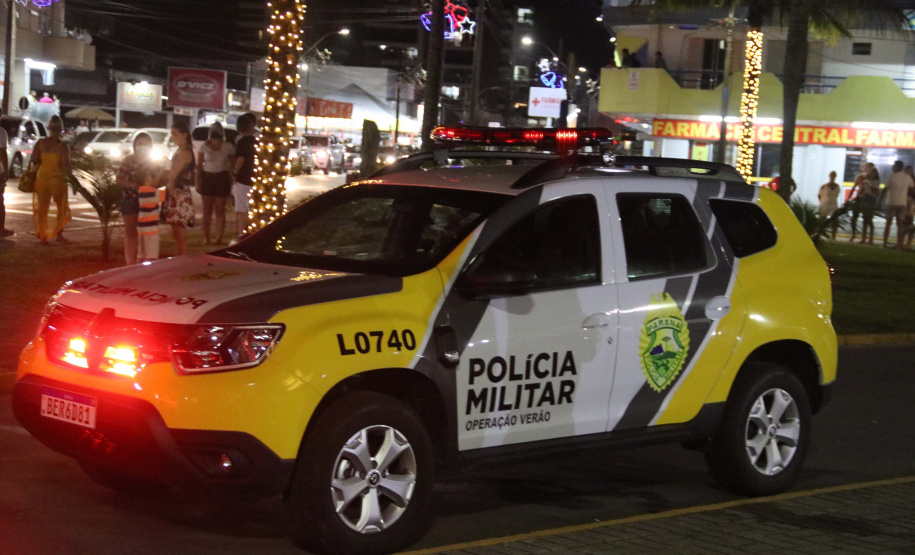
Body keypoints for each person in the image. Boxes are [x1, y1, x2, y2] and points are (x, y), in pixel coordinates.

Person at [30, 115, 75, 244]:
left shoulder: (41, 143)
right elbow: (67, 165)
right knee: (61, 207)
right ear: (61, 129)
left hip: (42, 178)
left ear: (49, 128)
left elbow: (33, 159)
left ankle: (43, 236)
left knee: (43, 208)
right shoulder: (62, 146)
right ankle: (59, 235)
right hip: (57, 179)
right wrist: (73, 182)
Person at [116, 132, 156, 264]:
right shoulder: (128, 160)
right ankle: (130, 263)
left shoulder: (154, 162)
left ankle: (145, 260)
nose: (142, 146)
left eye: (146, 144)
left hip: (148, 201)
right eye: (140, 143)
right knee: (130, 232)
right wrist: (133, 185)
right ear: (134, 145)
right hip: (130, 199)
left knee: (147, 233)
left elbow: (159, 181)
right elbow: (119, 180)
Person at [196, 121, 234, 245]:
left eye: (216, 131)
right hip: (207, 177)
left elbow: (232, 164)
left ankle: (218, 238)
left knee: (220, 210)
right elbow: (199, 165)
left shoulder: (227, 146)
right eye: (212, 131)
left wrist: (233, 177)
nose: (214, 133)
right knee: (207, 210)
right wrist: (198, 181)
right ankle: (206, 238)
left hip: (221, 178)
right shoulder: (204, 146)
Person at [163, 121, 196, 255]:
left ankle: (183, 259)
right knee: (176, 231)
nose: (173, 137)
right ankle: (180, 257)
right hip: (176, 193)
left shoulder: (185, 153)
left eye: (175, 134)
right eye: (171, 134)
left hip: (180, 194)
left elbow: (174, 172)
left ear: (184, 135)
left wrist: (165, 169)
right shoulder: (179, 151)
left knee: (179, 231)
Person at [233, 113, 258, 235]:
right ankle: (253, 233)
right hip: (255, 178)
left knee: (241, 209)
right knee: (253, 209)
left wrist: (234, 173)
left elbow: (240, 160)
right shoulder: (256, 141)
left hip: (243, 179)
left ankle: (241, 234)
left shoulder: (242, 142)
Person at [883, 160, 913, 249]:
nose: (892, 167)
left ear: (898, 167)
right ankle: (899, 243)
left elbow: (885, 189)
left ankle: (885, 243)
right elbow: (912, 190)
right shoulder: (908, 177)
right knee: (900, 224)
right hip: (902, 203)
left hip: (891, 202)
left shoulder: (891, 176)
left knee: (888, 223)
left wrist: (879, 200)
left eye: (894, 166)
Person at [857, 163, 880, 245]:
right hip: (865, 198)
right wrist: (860, 193)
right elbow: (862, 189)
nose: (871, 174)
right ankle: (863, 238)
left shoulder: (876, 181)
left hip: (871, 199)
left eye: (872, 172)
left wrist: (869, 186)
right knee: (865, 219)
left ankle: (871, 239)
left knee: (869, 219)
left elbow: (876, 191)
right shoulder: (866, 180)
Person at [818, 170, 840, 240]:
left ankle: (833, 236)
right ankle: (820, 233)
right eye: (831, 175)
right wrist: (822, 201)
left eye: (834, 175)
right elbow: (819, 195)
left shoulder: (837, 186)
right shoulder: (824, 186)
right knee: (822, 219)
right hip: (825, 204)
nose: (832, 177)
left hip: (833, 204)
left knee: (834, 220)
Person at [0, 106, 12, 238]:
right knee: (0, 201)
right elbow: (2, 152)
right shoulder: (2, 132)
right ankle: (1, 229)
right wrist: (6, 171)